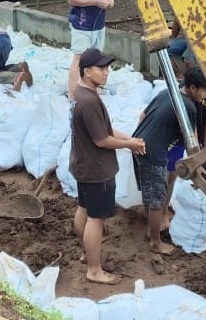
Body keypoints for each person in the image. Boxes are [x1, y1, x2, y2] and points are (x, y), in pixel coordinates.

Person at [70, 47, 145, 285]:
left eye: (107, 68)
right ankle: (94, 269)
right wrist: (130, 146)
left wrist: (129, 139)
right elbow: (101, 140)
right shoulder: (90, 101)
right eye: (101, 68)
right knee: (97, 218)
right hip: (96, 169)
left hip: (83, 165)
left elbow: (106, 130)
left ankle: (86, 252)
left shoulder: (80, 94)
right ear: (86, 71)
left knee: (83, 209)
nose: (106, 73)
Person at [131, 67, 206, 255]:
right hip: (153, 153)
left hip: (138, 144)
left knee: (150, 192)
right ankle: (155, 242)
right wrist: (200, 162)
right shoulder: (188, 107)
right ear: (192, 88)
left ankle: (150, 229)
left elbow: (143, 116)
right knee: (157, 198)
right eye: (204, 90)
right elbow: (192, 142)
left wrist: (137, 142)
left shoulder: (166, 94)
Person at [66, 0, 115, 97]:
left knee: (96, 58)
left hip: (99, 23)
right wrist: (95, 2)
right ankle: (72, 94)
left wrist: (108, 0)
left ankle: (93, 88)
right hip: (82, 24)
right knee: (79, 59)